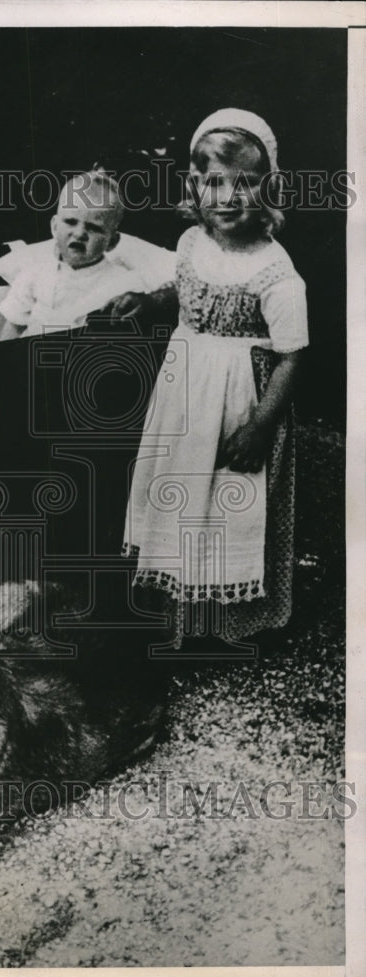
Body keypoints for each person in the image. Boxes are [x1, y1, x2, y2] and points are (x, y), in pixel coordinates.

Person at [120, 109, 308, 647]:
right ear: (193, 185)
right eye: (213, 182)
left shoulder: (276, 271)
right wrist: (150, 300)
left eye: (244, 183)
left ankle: (226, 624)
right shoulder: (190, 244)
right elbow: (184, 291)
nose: (227, 198)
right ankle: (176, 606)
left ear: (267, 188)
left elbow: (294, 355)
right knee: (180, 491)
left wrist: (261, 425)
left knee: (226, 501)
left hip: (237, 402)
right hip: (183, 392)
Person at [0, 170, 153, 339]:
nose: (79, 234)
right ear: (55, 227)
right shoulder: (34, 274)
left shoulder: (124, 285)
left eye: (94, 228)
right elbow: (13, 325)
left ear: (112, 241)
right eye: (71, 222)